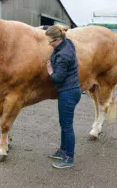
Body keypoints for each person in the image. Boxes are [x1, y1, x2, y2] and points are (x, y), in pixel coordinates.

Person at [45, 25, 81, 168]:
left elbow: (58, 78)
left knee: (67, 126)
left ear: (58, 39)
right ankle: (63, 150)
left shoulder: (64, 55)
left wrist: (49, 70)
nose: (50, 45)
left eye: (51, 42)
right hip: (71, 91)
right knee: (63, 123)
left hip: (68, 92)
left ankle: (69, 158)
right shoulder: (68, 43)